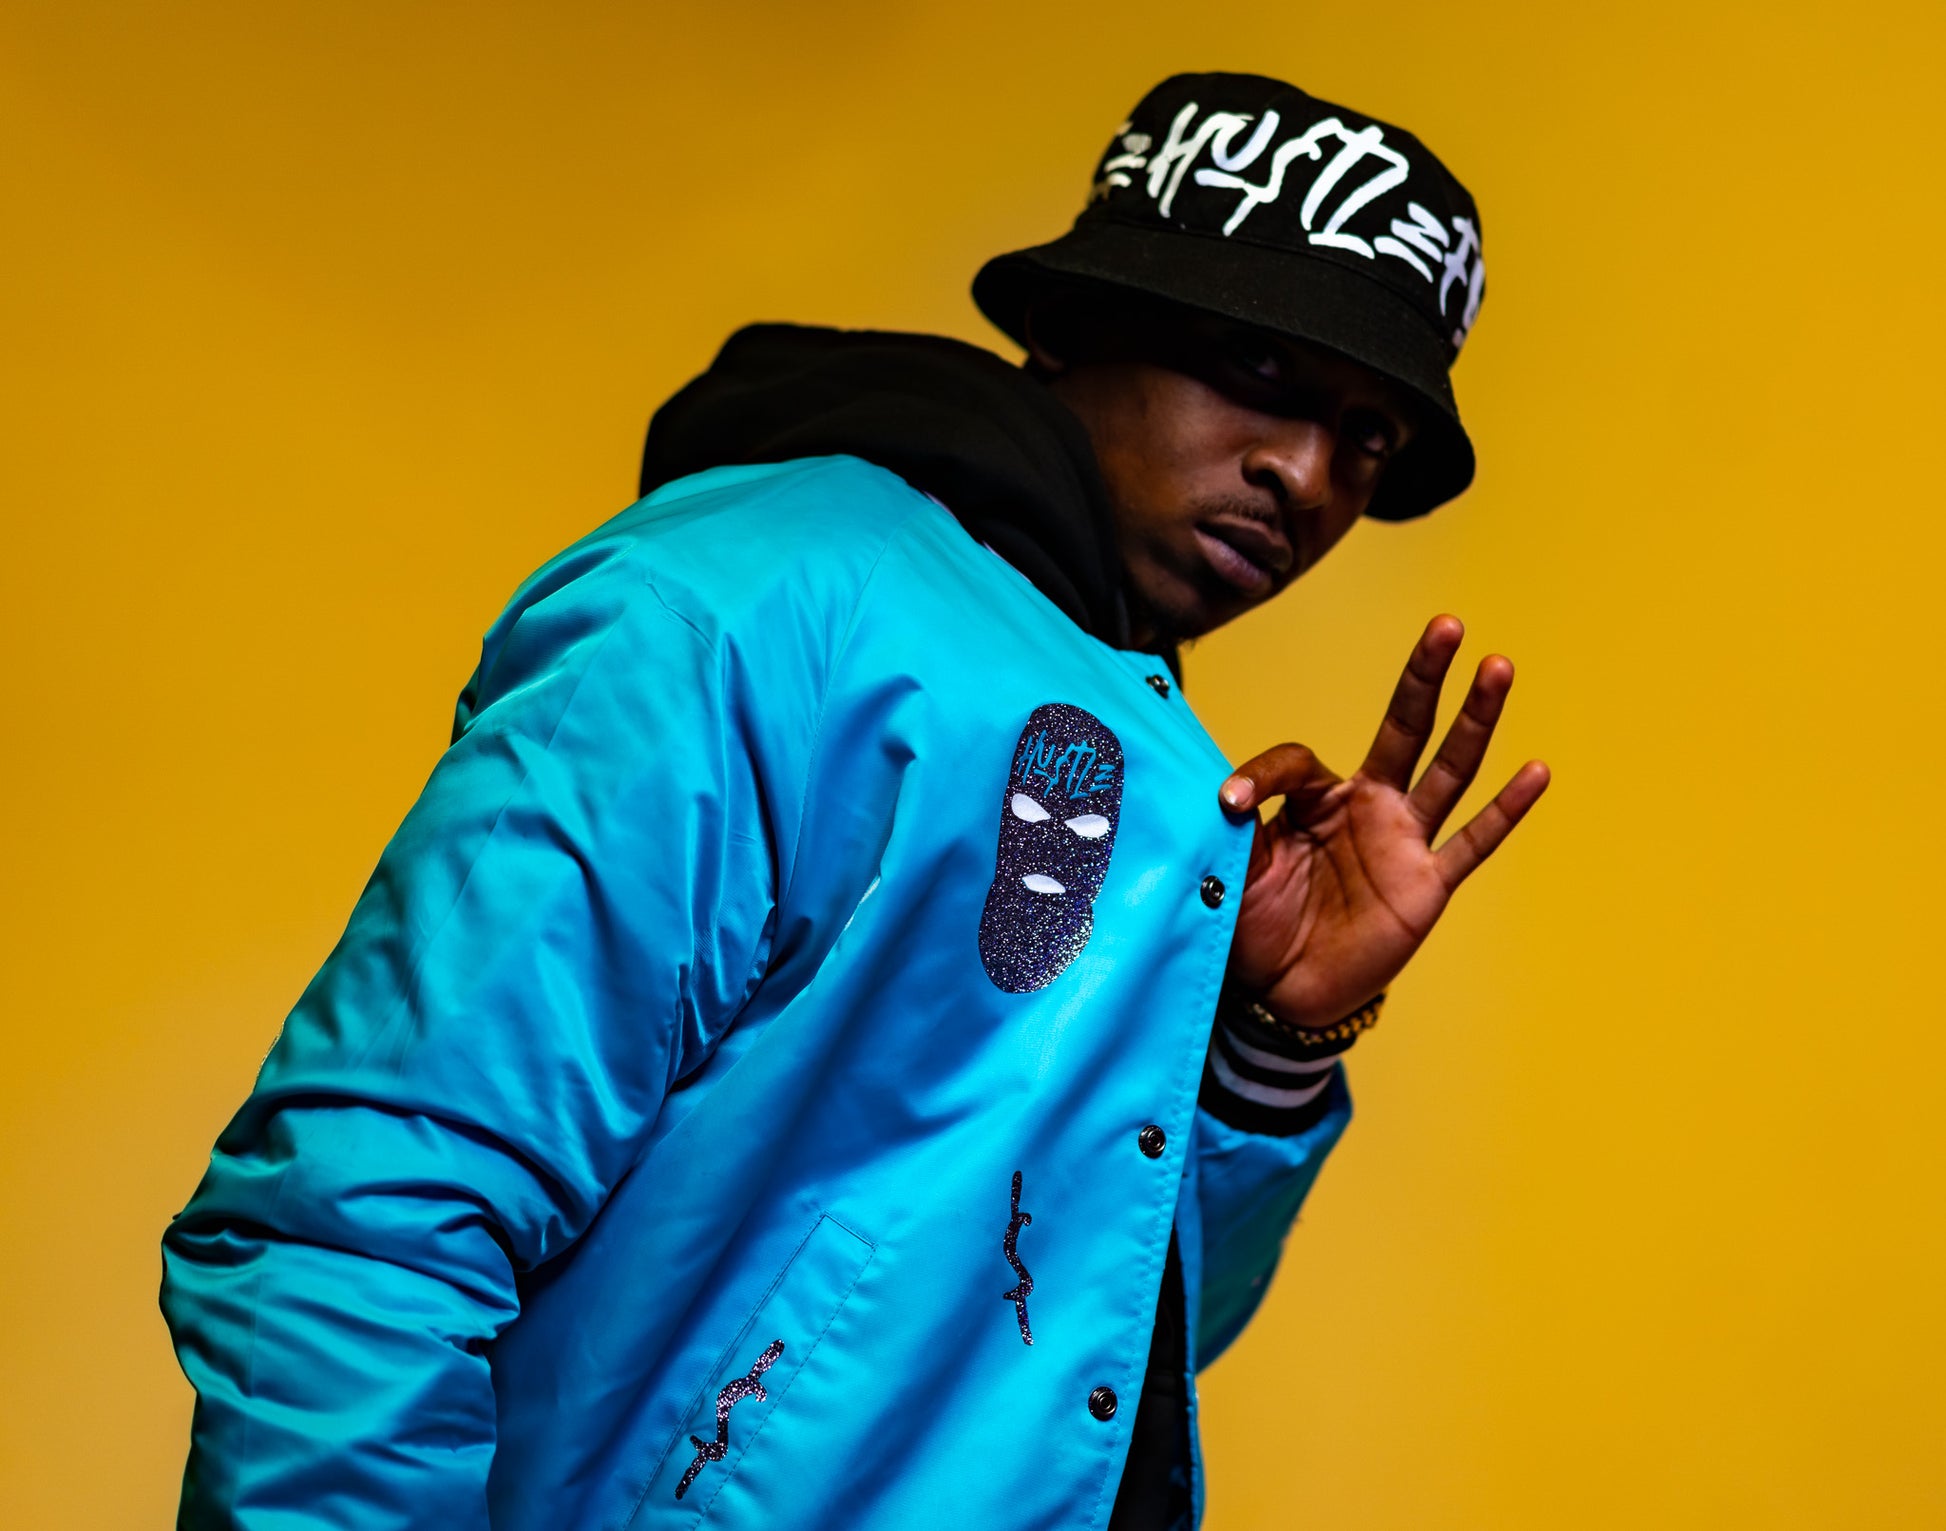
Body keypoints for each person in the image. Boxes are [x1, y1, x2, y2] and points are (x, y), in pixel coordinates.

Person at [162, 71, 1548, 1530]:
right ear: (1072, 325)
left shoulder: (1140, 747)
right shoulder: (756, 602)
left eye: (1368, 438)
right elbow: (359, 1221)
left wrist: (1266, 1047)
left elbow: (1035, 1352)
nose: (1306, 474)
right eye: (1257, 367)